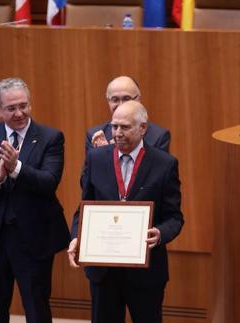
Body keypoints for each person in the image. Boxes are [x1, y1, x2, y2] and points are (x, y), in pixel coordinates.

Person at [68, 100, 184, 323]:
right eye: (114, 126)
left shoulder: (164, 164)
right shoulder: (96, 158)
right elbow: (84, 209)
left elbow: (175, 217)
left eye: (125, 127)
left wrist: (159, 233)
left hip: (146, 273)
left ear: (143, 128)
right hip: (103, 272)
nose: (117, 133)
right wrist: (76, 237)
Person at [0, 77, 70, 323]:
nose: (19, 112)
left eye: (23, 105)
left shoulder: (50, 137)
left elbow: (49, 182)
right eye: (11, 108)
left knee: (36, 307)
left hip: (34, 237)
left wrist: (16, 168)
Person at [85, 75, 170, 153]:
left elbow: (157, 169)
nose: (121, 105)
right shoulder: (95, 136)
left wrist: (111, 151)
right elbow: (90, 169)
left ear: (139, 99)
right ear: (108, 101)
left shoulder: (158, 136)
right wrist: (103, 153)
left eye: (127, 98)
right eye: (115, 99)